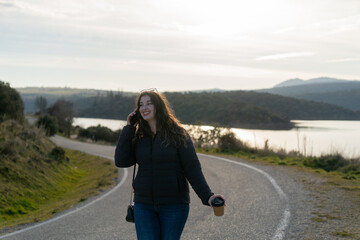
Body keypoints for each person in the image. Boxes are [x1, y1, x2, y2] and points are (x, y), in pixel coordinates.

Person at [114, 89, 225, 240]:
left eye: (149, 103)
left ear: (158, 106)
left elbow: (192, 168)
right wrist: (129, 127)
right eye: (141, 105)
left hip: (174, 205)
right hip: (143, 205)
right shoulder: (139, 136)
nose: (144, 108)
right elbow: (121, 161)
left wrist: (208, 196)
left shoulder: (178, 134)